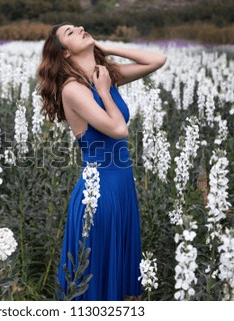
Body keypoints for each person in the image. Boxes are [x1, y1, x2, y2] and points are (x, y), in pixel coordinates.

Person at [36, 22, 167, 301]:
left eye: (77, 26)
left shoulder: (102, 76)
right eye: (70, 33)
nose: (80, 28)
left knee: (116, 275)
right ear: (66, 54)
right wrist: (105, 91)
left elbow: (158, 60)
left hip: (122, 186)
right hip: (99, 192)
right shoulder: (73, 89)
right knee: (95, 276)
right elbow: (119, 130)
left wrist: (106, 48)